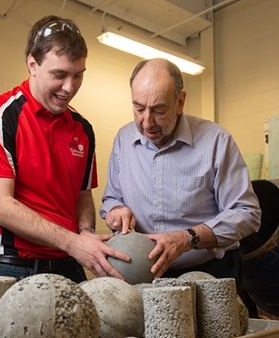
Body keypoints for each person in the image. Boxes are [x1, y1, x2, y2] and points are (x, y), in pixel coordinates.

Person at [0, 15, 130, 283]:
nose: (70, 87)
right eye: (59, 75)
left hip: (70, 265)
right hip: (11, 268)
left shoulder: (82, 129)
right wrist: (73, 242)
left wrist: (86, 231)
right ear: (32, 64)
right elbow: (0, 206)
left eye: (78, 75)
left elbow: (83, 196)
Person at [100, 58, 262, 296]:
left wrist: (188, 239)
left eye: (159, 110)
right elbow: (112, 197)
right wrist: (115, 211)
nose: (147, 122)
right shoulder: (123, 140)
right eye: (139, 108)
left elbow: (247, 213)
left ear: (180, 102)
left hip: (209, 274)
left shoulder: (216, 141)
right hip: (146, 279)